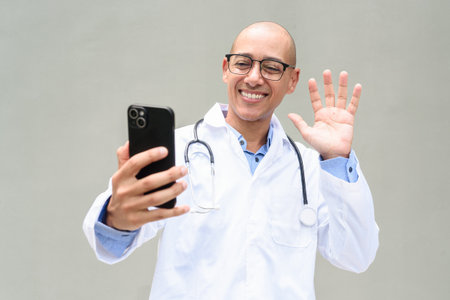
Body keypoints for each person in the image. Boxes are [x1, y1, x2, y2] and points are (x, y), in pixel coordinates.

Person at [83, 21, 379, 299]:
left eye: (272, 67)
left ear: (292, 80)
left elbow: (355, 255)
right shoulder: (176, 150)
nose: (253, 77)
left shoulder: (311, 168)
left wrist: (338, 158)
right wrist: (116, 218)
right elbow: (110, 244)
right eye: (243, 63)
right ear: (226, 69)